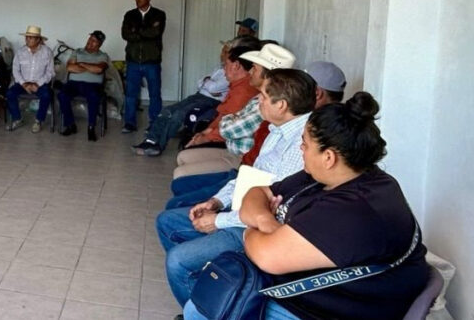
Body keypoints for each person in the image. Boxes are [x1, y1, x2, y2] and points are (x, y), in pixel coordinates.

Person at [184, 92, 430, 320]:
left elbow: (266, 256)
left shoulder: (355, 209)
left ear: (329, 157)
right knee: (208, 289)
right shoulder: (331, 176)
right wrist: (266, 221)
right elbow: (256, 192)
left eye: (305, 144)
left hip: (322, 310)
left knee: (201, 308)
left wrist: (251, 228)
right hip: (302, 289)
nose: (300, 149)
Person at [157, 69, 316, 307]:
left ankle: (208, 309)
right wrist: (216, 202)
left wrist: (218, 220)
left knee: (177, 261)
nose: (258, 99)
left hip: (255, 229)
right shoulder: (278, 130)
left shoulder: (300, 144)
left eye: (263, 95)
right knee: (167, 221)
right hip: (243, 210)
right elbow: (250, 177)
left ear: (281, 105)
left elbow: (269, 210)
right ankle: (209, 293)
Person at [164, 61, 345, 210]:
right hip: (248, 177)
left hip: (253, 189)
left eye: (255, 68)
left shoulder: (306, 131)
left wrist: (220, 217)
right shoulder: (280, 122)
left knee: (178, 203)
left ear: (316, 93)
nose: (250, 71)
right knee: (181, 186)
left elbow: (274, 193)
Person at [173, 43, 295, 179]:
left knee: (182, 170)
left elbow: (227, 128)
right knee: (184, 154)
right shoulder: (258, 96)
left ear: (267, 75)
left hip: (239, 154)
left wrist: (208, 134)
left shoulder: (264, 101)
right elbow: (229, 120)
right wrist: (213, 128)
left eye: (254, 68)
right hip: (233, 147)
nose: (250, 72)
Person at [132, 36, 258, 156]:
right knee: (167, 110)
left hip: (210, 100)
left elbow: (213, 89)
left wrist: (206, 136)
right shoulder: (223, 69)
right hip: (200, 95)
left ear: (236, 64)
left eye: (226, 50)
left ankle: (158, 145)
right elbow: (201, 83)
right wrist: (207, 83)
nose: (223, 53)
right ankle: (151, 140)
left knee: (178, 114)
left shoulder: (240, 84)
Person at [121, 0, 166, 134]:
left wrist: (136, 31)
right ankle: (129, 123)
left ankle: (154, 124)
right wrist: (146, 31)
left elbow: (156, 32)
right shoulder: (130, 15)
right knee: (130, 94)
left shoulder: (159, 14)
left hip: (152, 61)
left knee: (155, 94)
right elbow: (125, 34)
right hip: (133, 61)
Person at [57, 30, 110, 141]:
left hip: (93, 85)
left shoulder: (103, 55)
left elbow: (99, 69)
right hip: (73, 84)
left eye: (94, 41)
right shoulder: (77, 52)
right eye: (90, 38)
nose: (90, 42)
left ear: (100, 44)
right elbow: (70, 67)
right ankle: (70, 125)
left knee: (94, 96)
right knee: (62, 95)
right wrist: (91, 67)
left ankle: (91, 127)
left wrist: (81, 64)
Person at [6, 25, 55, 133]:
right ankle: (17, 119)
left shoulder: (47, 52)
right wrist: (24, 84)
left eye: (31, 37)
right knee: (10, 93)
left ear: (38, 40)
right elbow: (15, 71)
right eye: (27, 37)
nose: (27, 39)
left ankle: (38, 121)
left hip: (40, 84)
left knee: (46, 95)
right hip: (23, 83)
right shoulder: (20, 52)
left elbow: (50, 72)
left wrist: (37, 84)